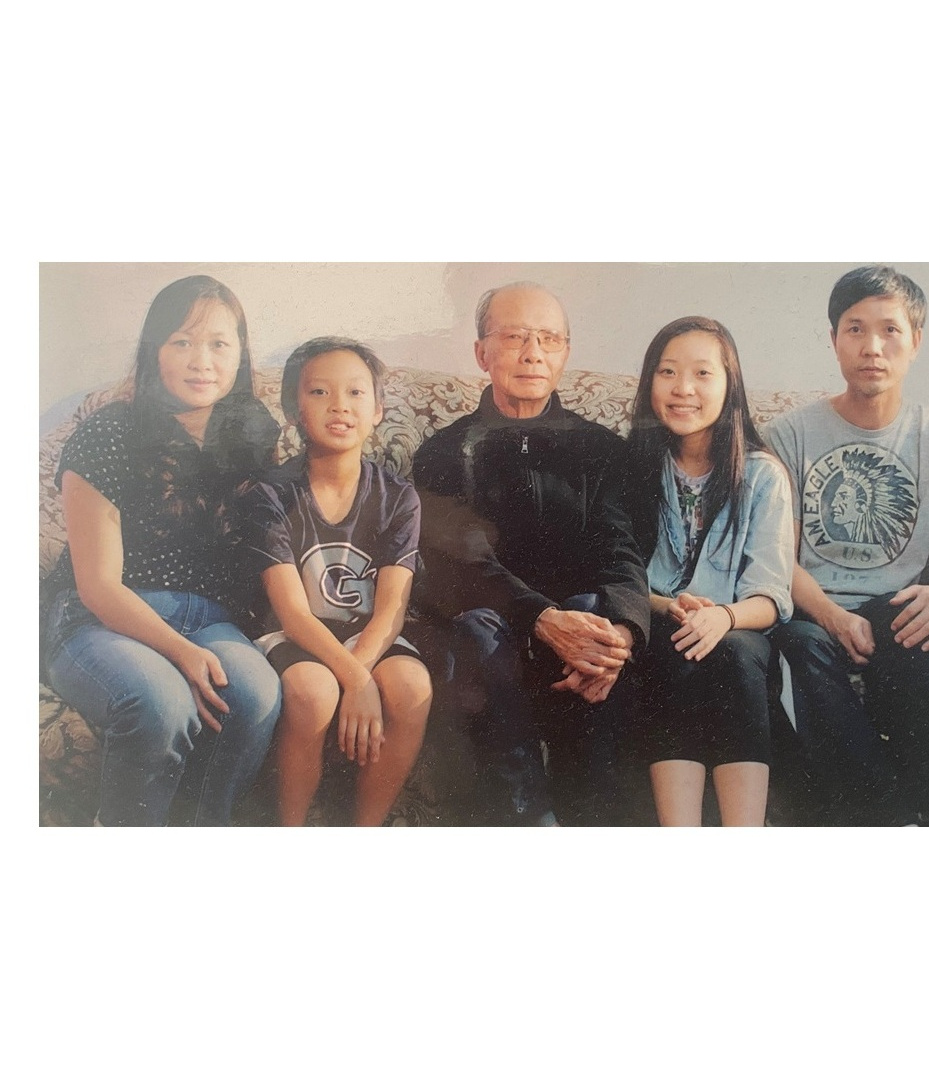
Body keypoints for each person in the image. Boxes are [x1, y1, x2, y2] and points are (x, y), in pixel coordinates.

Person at [763, 266, 929, 826]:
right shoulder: (790, 435)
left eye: (890, 330)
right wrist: (831, 616)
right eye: (855, 329)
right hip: (806, 607)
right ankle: (891, 820)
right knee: (806, 648)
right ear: (834, 339)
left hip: (888, 605)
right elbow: (777, 556)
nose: (872, 347)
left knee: (910, 624)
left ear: (915, 341)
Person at [41, 275, 285, 826]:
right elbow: (98, 585)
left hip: (212, 621)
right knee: (161, 702)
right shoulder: (110, 431)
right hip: (99, 620)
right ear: (155, 350)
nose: (202, 362)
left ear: (241, 352)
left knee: (256, 694)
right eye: (182, 342)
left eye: (219, 344)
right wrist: (179, 651)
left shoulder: (252, 432)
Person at [411, 282, 651, 825]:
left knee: (597, 619)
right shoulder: (445, 452)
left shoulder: (601, 450)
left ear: (566, 352)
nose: (533, 353)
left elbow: (621, 550)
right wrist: (541, 617)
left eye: (549, 339)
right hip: (491, 640)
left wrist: (621, 634)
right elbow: (461, 563)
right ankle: (527, 820)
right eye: (515, 337)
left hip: (576, 641)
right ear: (482, 353)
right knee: (476, 629)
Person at [236, 338, 432, 826]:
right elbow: (292, 614)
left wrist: (359, 670)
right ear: (293, 411)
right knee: (313, 691)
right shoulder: (271, 494)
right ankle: (292, 828)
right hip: (296, 634)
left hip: (367, 633)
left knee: (412, 687)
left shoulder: (398, 497)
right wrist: (356, 679)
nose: (340, 405)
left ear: (378, 410)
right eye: (320, 392)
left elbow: (391, 611)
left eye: (356, 392)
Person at [621, 318, 795, 827]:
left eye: (702, 373)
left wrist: (723, 616)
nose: (683, 389)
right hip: (660, 625)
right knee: (677, 647)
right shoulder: (630, 466)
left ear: (729, 385)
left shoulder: (763, 475)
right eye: (668, 372)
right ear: (650, 382)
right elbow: (618, 573)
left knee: (733, 653)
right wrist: (668, 606)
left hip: (738, 631)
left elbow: (772, 595)